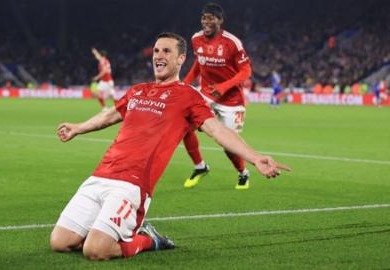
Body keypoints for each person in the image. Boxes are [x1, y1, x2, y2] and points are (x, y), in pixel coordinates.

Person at [51, 32, 290, 261]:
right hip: (101, 175)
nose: (159, 56)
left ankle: (148, 239)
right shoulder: (138, 90)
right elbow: (109, 116)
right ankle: (112, 233)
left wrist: (255, 157)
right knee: (60, 242)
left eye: (166, 51)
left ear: (181, 59)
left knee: (96, 251)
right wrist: (77, 128)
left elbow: (217, 130)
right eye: (156, 51)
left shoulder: (188, 96)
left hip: (131, 185)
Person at [182, 3, 253, 190]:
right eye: (204, 18)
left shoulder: (232, 42)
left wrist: (224, 86)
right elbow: (199, 62)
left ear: (220, 21)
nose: (206, 22)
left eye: (210, 18)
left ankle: (243, 173)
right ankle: (200, 166)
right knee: (183, 123)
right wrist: (185, 84)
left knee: (229, 146)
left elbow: (246, 70)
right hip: (206, 94)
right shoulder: (196, 39)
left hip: (232, 100)